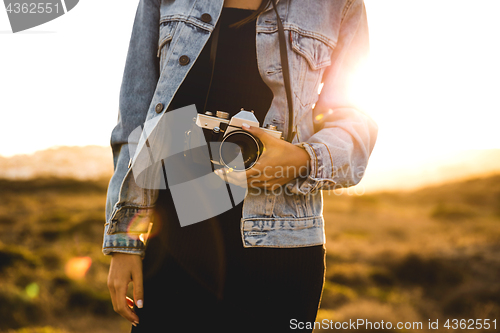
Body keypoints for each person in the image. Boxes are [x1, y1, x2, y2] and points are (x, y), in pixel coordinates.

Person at [103, 0, 377, 332]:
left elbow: (354, 123)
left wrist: (302, 158)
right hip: (171, 242)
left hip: (278, 252)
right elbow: (135, 121)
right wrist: (124, 241)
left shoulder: (338, 5)